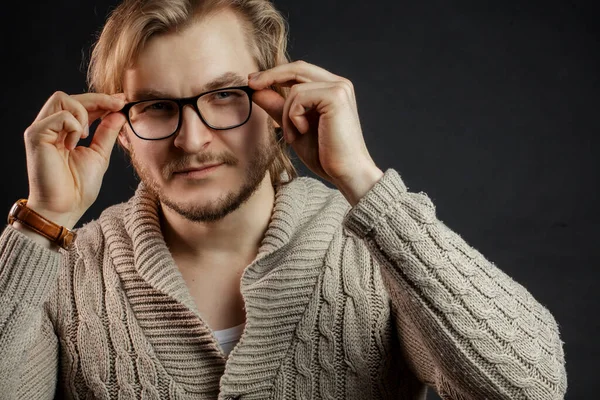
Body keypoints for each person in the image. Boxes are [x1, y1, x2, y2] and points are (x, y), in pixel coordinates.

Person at [0, 0, 567, 398]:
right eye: (155, 107)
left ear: (277, 99)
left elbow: (530, 385)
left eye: (224, 96)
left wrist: (365, 184)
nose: (192, 140)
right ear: (119, 126)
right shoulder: (61, 266)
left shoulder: (376, 249)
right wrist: (41, 221)